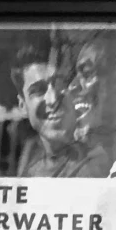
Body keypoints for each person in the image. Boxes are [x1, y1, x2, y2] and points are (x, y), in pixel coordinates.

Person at [11, 40, 109, 181]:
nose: (52, 99)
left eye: (60, 84)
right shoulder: (32, 172)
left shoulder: (97, 164)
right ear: (22, 105)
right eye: (38, 91)